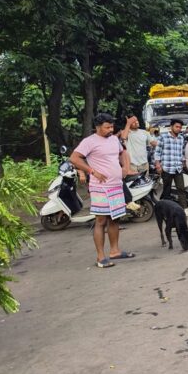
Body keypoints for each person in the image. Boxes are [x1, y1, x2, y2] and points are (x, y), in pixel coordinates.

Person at [69, 113, 136, 268]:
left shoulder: (113, 139)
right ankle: (101, 257)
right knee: (101, 221)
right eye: (107, 127)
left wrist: (125, 167)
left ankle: (115, 251)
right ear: (98, 127)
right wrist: (92, 171)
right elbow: (74, 158)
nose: (110, 129)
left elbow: (122, 152)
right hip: (100, 188)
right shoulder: (89, 141)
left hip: (116, 185)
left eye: (112, 126)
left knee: (115, 219)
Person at [155, 119, 188, 217]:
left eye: (180, 127)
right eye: (177, 127)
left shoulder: (181, 138)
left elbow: (181, 152)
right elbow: (157, 152)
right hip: (167, 167)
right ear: (171, 127)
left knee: (181, 189)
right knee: (167, 191)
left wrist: (183, 164)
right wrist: (158, 165)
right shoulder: (163, 137)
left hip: (178, 167)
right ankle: (165, 212)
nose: (178, 129)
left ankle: (185, 209)